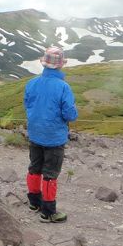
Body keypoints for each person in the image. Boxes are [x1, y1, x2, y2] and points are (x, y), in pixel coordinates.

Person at [24, 47, 78, 223]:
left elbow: (27, 105)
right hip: (54, 137)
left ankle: (34, 202)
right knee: (50, 173)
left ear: (44, 63)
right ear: (61, 64)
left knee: (34, 167)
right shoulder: (63, 87)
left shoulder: (31, 83)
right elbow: (70, 115)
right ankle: (48, 212)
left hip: (34, 133)